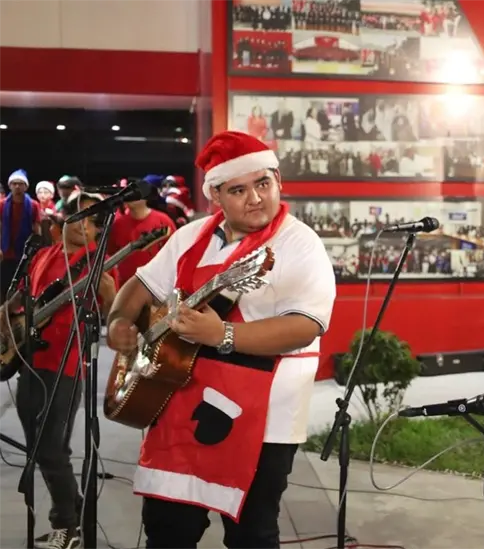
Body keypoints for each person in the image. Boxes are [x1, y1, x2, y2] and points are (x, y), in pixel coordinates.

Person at [106, 130, 337, 549]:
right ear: (215, 195)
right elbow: (141, 285)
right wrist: (120, 319)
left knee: (251, 535)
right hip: (178, 401)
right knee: (166, 529)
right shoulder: (189, 236)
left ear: (278, 180)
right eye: (238, 190)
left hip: (264, 416)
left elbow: (306, 325)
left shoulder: (299, 243)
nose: (256, 198)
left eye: (263, 183)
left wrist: (223, 333)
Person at [1, 191, 119, 549]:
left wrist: (110, 295)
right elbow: (23, 297)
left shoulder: (99, 263)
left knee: (52, 447)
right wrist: (6, 316)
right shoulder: (43, 255)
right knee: (39, 447)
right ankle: (73, 511)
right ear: (64, 219)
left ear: (98, 230)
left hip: (66, 365)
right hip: (29, 360)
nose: (84, 225)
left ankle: (66, 525)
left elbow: (114, 315)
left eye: (92, 221)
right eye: (79, 216)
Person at [108, 183, 177, 283]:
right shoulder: (117, 225)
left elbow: (174, 252)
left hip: (157, 284)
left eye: (134, 193)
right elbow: (110, 255)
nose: (129, 196)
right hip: (125, 285)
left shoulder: (163, 221)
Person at [0, 169, 42, 297]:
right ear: (10, 186)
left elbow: (37, 228)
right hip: (6, 251)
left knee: (22, 285)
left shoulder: (33, 205)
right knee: (5, 283)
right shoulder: (2, 205)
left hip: (25, 251)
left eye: (20, 184)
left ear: (26, 186)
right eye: (14, 184)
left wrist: (37, 250)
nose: (17, 186)